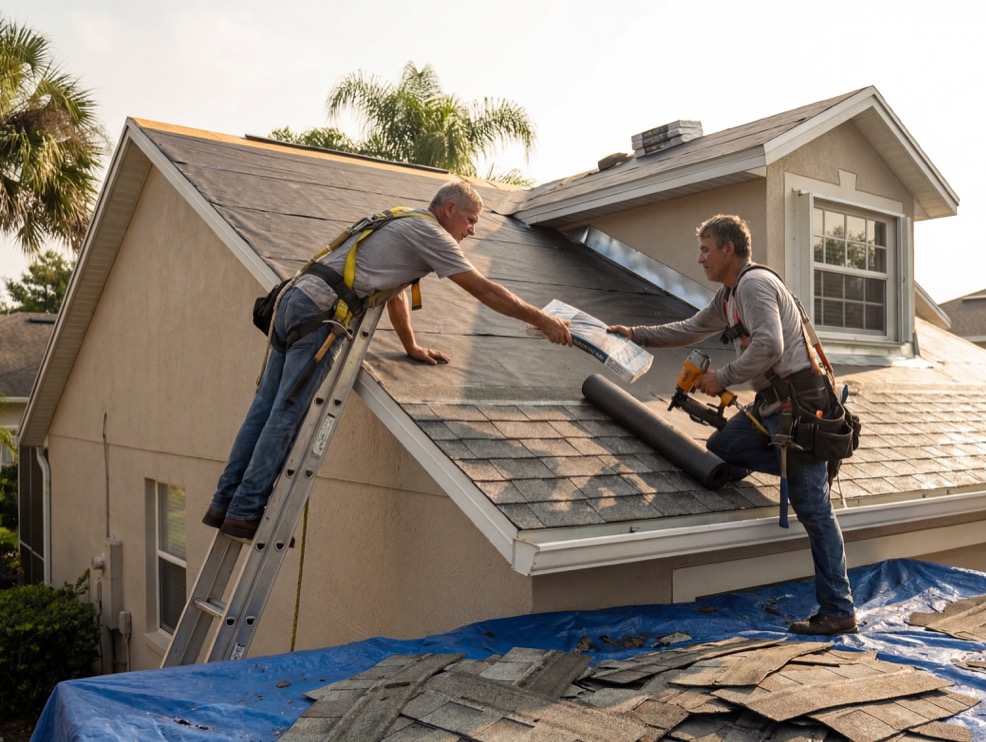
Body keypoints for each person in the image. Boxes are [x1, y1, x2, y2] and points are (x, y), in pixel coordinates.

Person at [205, 178, 573, 539]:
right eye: (471, 220)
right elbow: (486, 291)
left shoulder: (401, 220)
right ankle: (246, 510)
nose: (472, 231)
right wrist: (543, 320)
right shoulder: (433, 235)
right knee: (287, 412)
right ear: (449, 209)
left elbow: (393, 294)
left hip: (292, 301)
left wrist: (411, 345)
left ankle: (225, 503)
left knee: (264, 407)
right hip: (319, 314)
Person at [608, 214, 856, 636]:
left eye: (706, 249)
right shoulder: (728, 296)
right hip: (773, 406)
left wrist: (721, 378)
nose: (700, 258)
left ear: (728, 249)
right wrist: (635, 333)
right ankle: (796, 468)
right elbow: (689, 329)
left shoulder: (755, 285)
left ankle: (838, 610)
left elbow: (770, 345)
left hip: (800, 406)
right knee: (726, 445)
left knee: (814, 510)